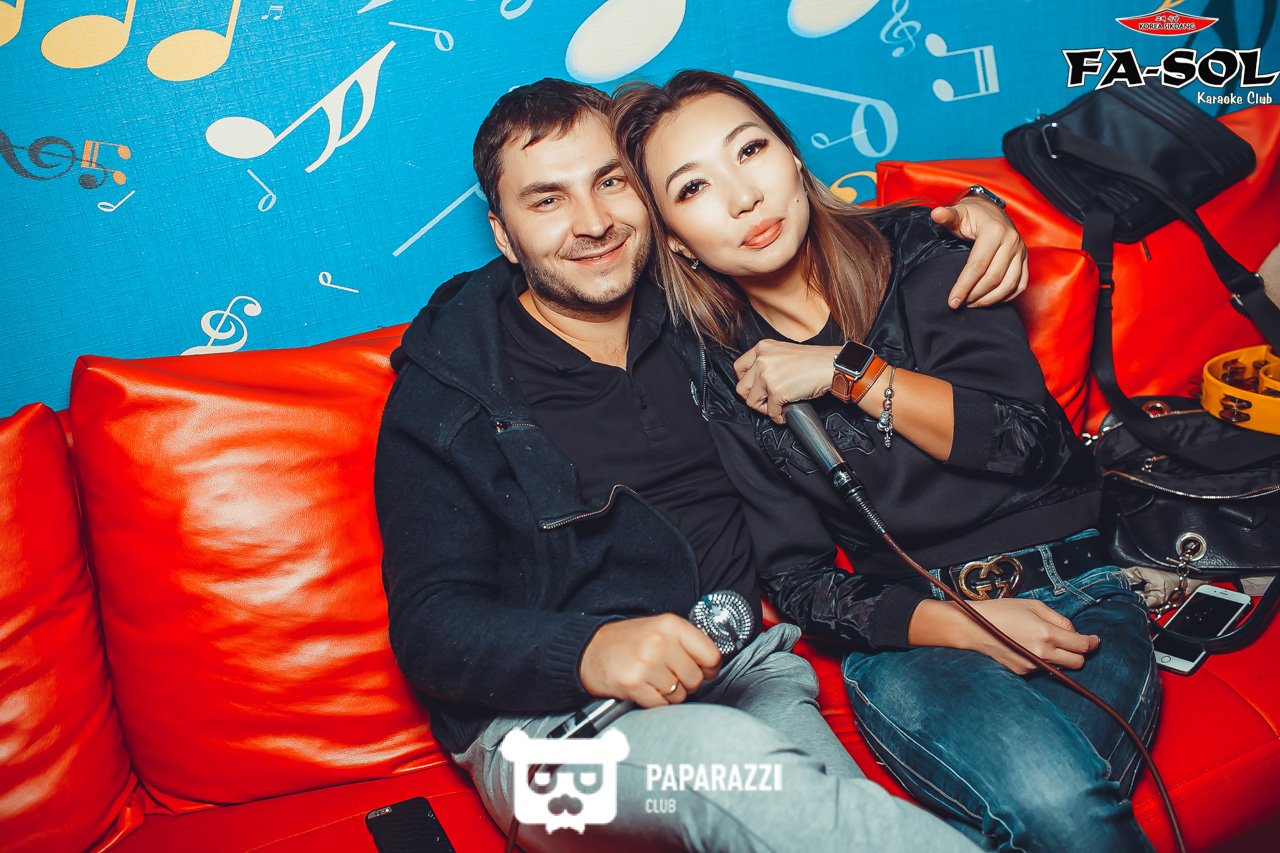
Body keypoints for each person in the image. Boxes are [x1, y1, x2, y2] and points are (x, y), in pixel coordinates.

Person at [375, 77, 1023, 852]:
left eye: (611, 182)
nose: (593, 222)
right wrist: (587, 652)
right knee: (734, 768)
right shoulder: (451, 386)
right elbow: (429, 625)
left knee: (819, 812)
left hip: (743, 675)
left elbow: (829, 232)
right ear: (504, 235)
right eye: (547, 200)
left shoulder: (704, 310)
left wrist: (980, 210)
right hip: (552, 740)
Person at [612, 70, 1160, 853]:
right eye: (693, 187)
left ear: (793, 156)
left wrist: (847, 372)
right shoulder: (722, 373)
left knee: (1046, 815)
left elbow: (1025, 443)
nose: (743, 197)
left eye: (751, 150)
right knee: (1060, 805)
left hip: (1081, 591)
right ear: (672, 238)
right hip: (919, 635)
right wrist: (964, 627)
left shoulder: (923, 251)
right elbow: (798, 581)